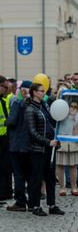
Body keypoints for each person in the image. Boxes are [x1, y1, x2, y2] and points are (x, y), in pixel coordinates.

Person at [24, 83, 63, 216]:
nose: (43, 93)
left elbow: (52, 123)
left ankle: (52, 205)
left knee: (50, 177)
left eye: (44, 91)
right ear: (34, 92)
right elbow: (32, 132)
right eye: (41, 91)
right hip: (37, 149)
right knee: (37, 178)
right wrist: (48, 142)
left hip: (50, 148)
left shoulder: (45, 105)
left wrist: (56, 139)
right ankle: (35, 206)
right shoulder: (30, 109)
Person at [6, 81, 31, 211]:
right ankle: (32, 202)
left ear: (22, 91)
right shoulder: (33, 104)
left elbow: (11, 121)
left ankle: (20, 202)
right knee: (29, 174)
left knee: (18, 174)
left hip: (16, 144)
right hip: (29, 144)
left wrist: (6, 122)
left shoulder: (17, 103)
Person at [0, 75, 12, 200]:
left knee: (5, 167)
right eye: (5, 87)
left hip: (4, 138)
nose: (7, 90)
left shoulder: (3, 100)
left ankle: (4, 193)